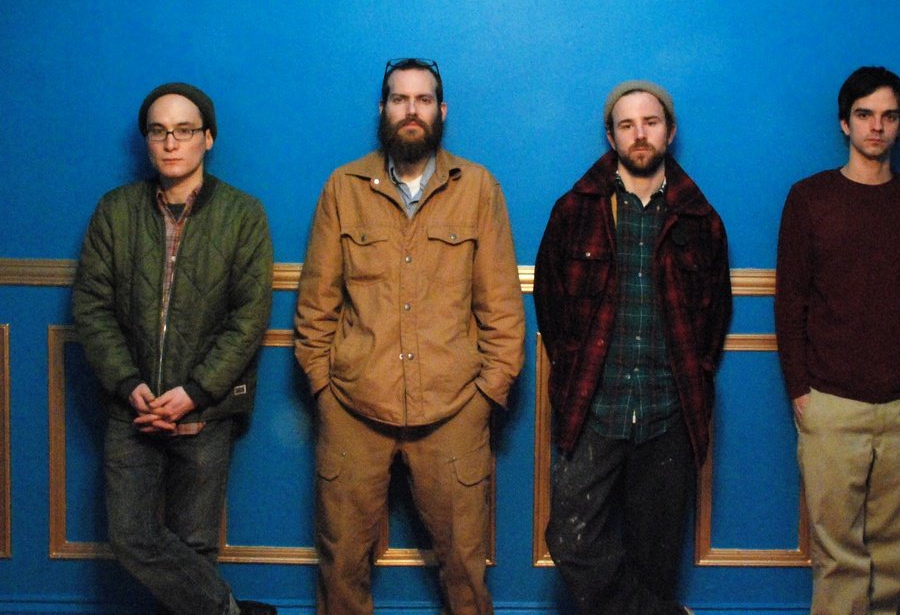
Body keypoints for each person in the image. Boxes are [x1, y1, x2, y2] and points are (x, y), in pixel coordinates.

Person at [294, 58, 525, 615]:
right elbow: (315, 307)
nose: (411, 110)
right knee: (341, 566)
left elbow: (502, 309)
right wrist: (325, 390)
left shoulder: (479, 188)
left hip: (453, 409)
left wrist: (485, 396)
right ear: (383, 109)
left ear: (442, 111)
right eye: (400, 99)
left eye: (423, 100)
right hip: (354, 407)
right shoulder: (343, 187)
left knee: (465, 570)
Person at [72, 83, 275, 615]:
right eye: (158, 131)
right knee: (131, 537)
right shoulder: (115, 211)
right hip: (132, 406)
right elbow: (92, 308)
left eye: (184, 130)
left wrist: (194, 392)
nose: (170, 143)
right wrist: (129, 385)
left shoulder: (244, 214)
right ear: (146, 140)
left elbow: (248, 318)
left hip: (206, 409)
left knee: (195, 547)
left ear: (207, 138)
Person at [534, 80, 732, 615]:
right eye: (627, 125)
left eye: (650, 122)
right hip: (595, 407)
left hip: (669, 412)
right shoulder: (574, 210)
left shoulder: (700, 219)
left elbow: (714, 315)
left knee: (655, 560)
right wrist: (576, 367)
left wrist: (694, 372)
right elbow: (550, 305)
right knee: (571, 538)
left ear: (670, 131)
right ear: (611, 137)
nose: (639, 134)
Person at [775, 66, 900, 615]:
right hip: (830, 403)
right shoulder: (809, 198)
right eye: (865, 115)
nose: (877, 127)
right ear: (844, 123)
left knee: (893, 557)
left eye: (888, 116)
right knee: (838, 558)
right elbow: (790, 301)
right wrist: (800, 393)